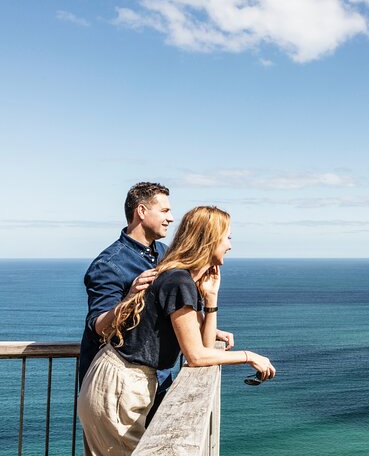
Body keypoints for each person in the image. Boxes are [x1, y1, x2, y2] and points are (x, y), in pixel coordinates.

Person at [78, 206, 275, 455]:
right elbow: (196, 357)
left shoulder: (181, 279)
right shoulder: (178, 280)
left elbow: (202, 346)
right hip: (119, 386)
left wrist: (211, 299)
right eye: (227, 237)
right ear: (209, 239)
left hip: (127, 384)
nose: (230, 245)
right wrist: (249, 356)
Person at [79, 182, 234, 391]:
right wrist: (130, 296)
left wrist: (204, 327)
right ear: (141, 211)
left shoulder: (163, 254)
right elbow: (98, 327)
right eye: (164, 211)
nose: (170, 218)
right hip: (118, 385)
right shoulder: (109, 265)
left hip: (157, 380)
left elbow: (161, 311)